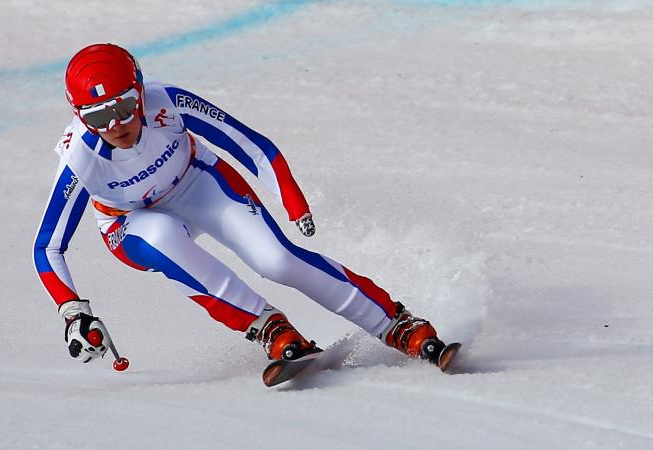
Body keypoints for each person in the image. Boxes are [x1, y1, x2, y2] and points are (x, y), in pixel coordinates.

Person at [33, 43, 457, 373]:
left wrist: (290, 197)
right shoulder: (80, 159)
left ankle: (395, 323)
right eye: (98, 117)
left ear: (140, 92)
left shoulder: (169, 103)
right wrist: (74, 312)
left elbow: (254, 146)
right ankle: (267, 327)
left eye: (125, 106)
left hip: (196, 181)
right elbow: (48, 247)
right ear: (78, 117)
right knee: (163, 238)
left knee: (277, 260)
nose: (116, 126)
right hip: (131, 222)